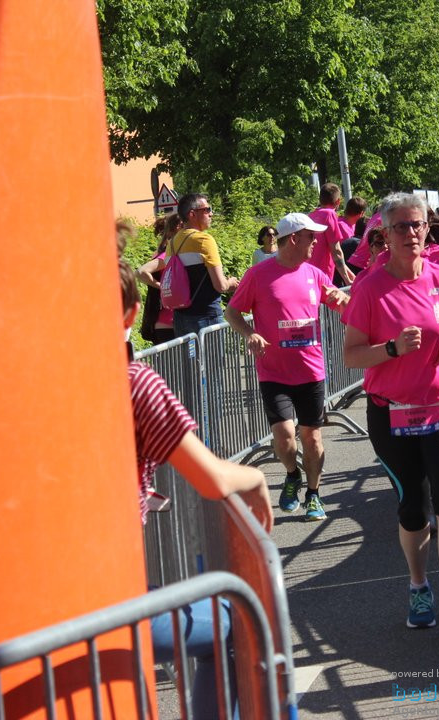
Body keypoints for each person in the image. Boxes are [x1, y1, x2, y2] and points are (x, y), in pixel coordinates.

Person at [120, 252, 273, 719]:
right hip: (110, 598)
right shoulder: (135, 385)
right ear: (129, 314)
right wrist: (258, 478)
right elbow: (210, 478)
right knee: (237, 623)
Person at [342, 192, 439, 642]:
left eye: (417, 224)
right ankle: (419, 587)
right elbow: (349, 357)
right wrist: (391, 349)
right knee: (413, 508)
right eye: (400, 227)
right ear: (384, 234)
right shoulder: (368, 288)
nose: (411, 233)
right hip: (392, 413)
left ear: (428, 228)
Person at [225, 213, 349, 522]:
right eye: (311, 237)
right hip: (274, 371)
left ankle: (314, 495)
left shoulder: (315, 274)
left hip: (310, 370)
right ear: (294, 238)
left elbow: (340, 302)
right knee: (284, 437)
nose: (316, 242)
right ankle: (292, 474)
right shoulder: (258, 274)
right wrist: (250, 333)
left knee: (313, 438)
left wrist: (350, 296)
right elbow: (232, 312)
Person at [162, 193, 239, 337]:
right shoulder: (204, 240)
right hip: (206, 316)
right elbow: (220, 286)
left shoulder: (172, 243)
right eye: (207, 209)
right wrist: (232, 283)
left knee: (190, 360)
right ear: (192, 214)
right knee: (214, 360)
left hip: (180, 317)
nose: (211, 213)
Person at [136, 214, 184, 347]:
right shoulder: (166, 256)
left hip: (167, 323)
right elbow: (141, 272)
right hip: (168, 323)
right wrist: (162, 286)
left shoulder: (163, 254)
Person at [307, 183, 355, 285]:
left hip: (310, 272)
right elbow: (336, 251)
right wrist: (347, 280)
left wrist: (352, 276)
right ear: (338, 201)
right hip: (323, 274)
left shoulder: (311, 215)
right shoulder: (329, 214)